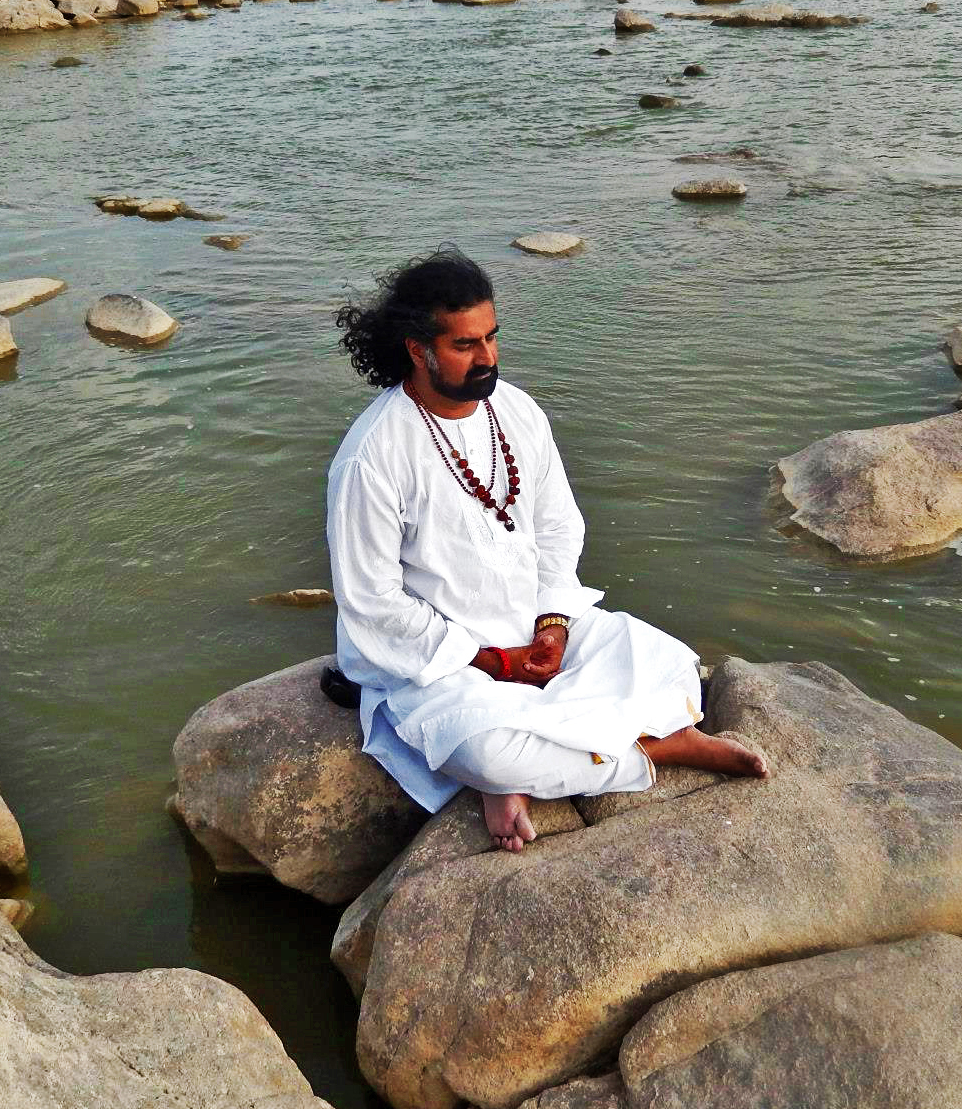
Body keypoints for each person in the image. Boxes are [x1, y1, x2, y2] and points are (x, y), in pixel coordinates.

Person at [326, 248, 767, 852]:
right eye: (465, 345)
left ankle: (544, 766)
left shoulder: (516, 412)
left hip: (533, 630)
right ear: (416, 349)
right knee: (490, 754)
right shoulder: (372, 456)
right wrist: (494, 661)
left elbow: (559, 530)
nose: (487, 358)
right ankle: (655, 745)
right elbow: (372, 602)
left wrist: (552, 625)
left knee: (672, 665)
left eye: (492, 337)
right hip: (443, 659)